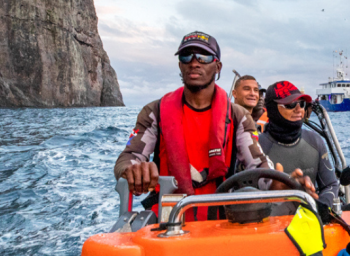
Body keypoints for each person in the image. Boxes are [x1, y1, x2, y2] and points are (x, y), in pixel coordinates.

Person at [114, 32, 277, 221]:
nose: (194, 62)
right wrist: (133, 170)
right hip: (169, 222)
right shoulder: (154, 112)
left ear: (217, 67)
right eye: (186, 56)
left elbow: (257, 164)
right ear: (180, 65)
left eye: (203, 57)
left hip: (221, 221)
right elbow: (127, 159)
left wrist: (278, 184)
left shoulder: (238, 116)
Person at [256, 81, 339, 215]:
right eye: (290, 105)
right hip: (269, 226)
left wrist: (321, 208)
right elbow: (243, 194)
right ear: (272, 109)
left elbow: (330, 185)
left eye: (301, 104)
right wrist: (272, 191)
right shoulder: (257, 146)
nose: (298, 109)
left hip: (308, 219)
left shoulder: (315, 141)